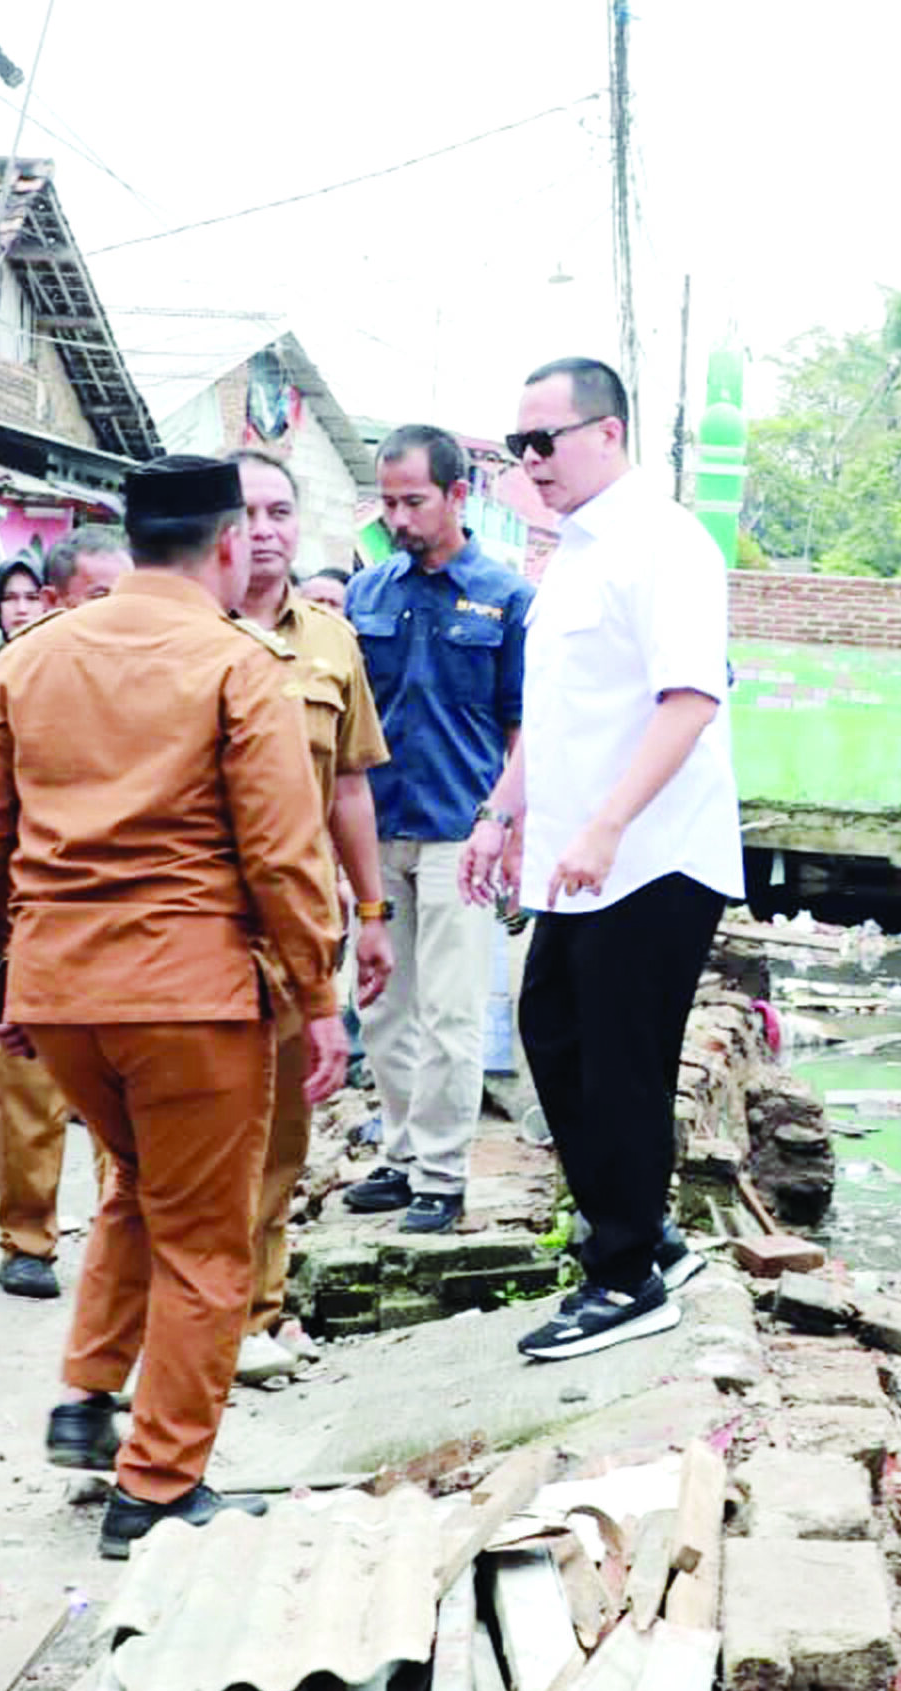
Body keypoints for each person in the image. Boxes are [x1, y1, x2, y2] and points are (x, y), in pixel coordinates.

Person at [0, 455, 344, 1558]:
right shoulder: (237, 663)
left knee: (138, 1183)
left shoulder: (30, 660)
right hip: (189, 995)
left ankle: (87, 1395)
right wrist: (318, 995)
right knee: (211, 1238)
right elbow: (282, 853)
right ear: (228, 544)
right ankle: (159, 1485)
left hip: (63, 991)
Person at [462, 358, 739, 1361]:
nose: (530, 461)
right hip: (578, 859)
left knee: (619, 1063)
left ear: (609, 432)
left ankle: (624, 1277)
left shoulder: (665, 543)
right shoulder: (572, 554)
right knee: (555, 1036)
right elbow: (556, 712)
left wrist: (611, 823)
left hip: (654, 854)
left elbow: (690, 699)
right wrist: (501, 812)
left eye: (546, 441)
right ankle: (646, 1233)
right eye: (518, 445)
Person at [340, 426, 533, 1236]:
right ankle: (400, 1155)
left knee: (451, 1011)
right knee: (384, 1009)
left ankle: (443, 1177)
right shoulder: (365, 594)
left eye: (413, 501)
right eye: (386, 503)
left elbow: (522, 727)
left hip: (463, 830)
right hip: (377, 829)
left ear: (458, 495)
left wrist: (509, 828)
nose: (398, 519)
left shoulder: (507, 598)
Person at [230, 449, 393, 1384]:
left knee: (284, 1129)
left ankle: (260, 1310)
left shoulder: (330, 642)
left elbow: (351, 790)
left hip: (298, 927)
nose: (264, 531)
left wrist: (371, 911)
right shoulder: (182, 633)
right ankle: (173, 1319)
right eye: (246, 512)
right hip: (197, 923)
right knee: (186, 1131)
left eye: (280, 512)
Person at [0, 532, 128, 1300]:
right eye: (98, 597)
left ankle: (124, 1236)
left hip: (131, 919)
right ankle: (27, 1239)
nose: (118, 613)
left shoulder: (161, 679)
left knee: (128, 1095)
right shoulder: (9, 679)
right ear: (56, 602)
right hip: (35, 914)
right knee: (25, 1087)